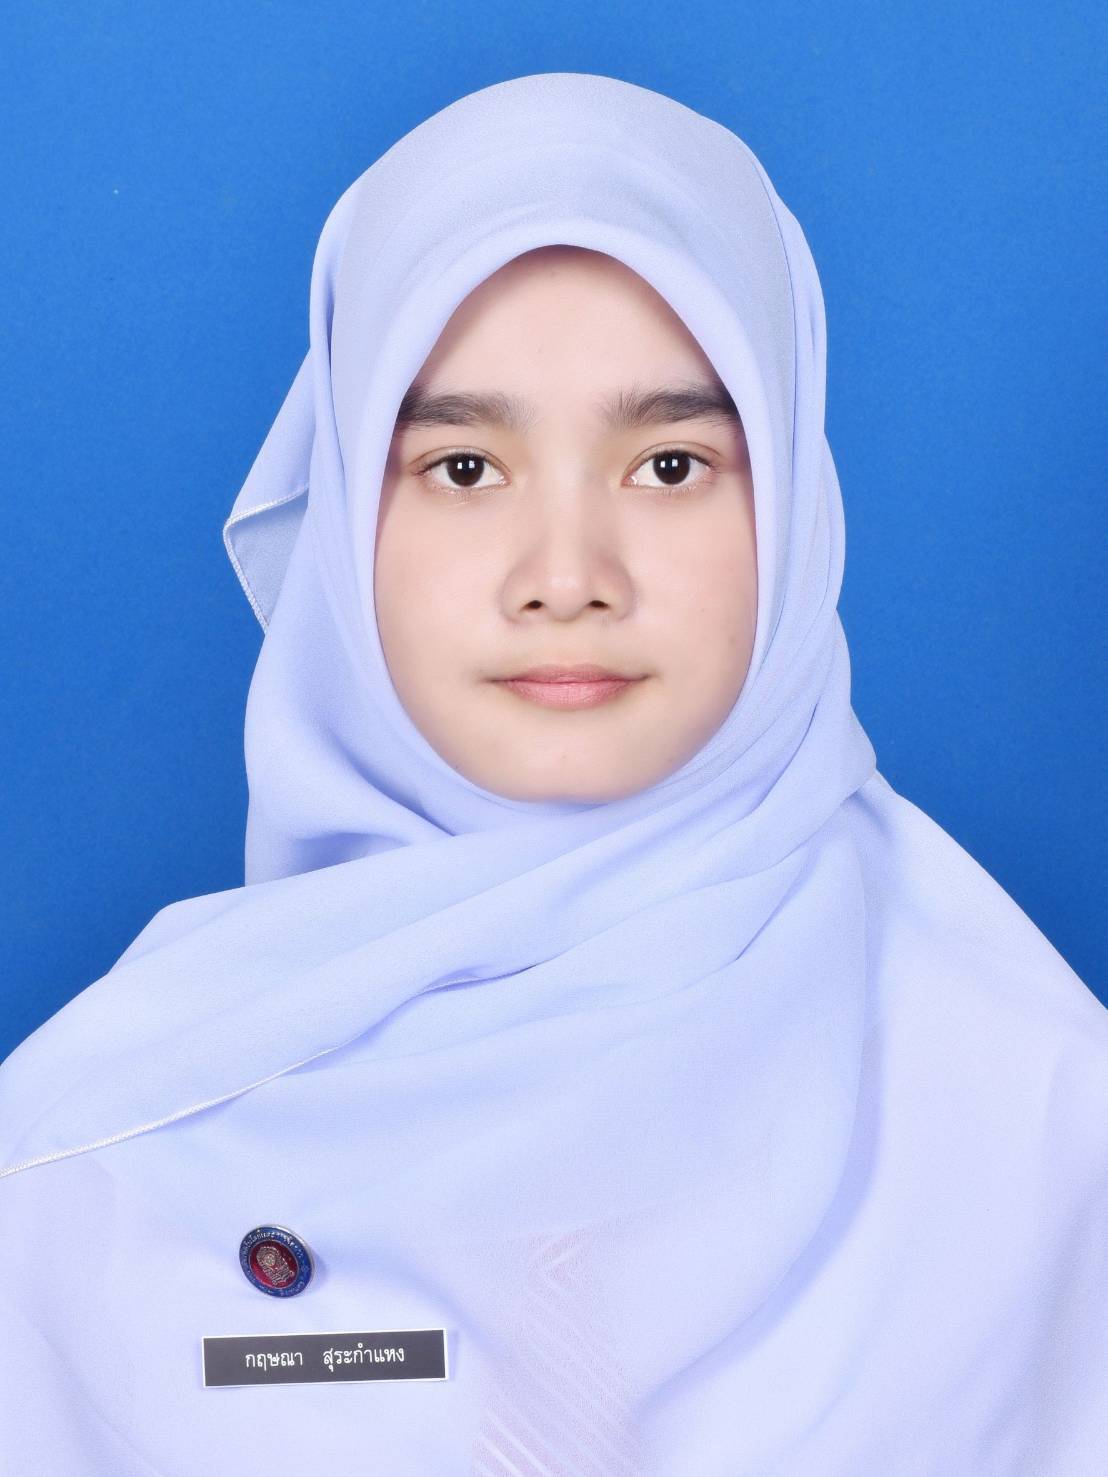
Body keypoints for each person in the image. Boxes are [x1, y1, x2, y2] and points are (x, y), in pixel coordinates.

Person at [2, 70, 1106, 1476]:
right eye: (465, 468)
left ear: (794, 500)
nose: (568, 576)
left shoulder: (1045, 1119)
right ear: (345, 524)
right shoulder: (90, 1157)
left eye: (670, 465)